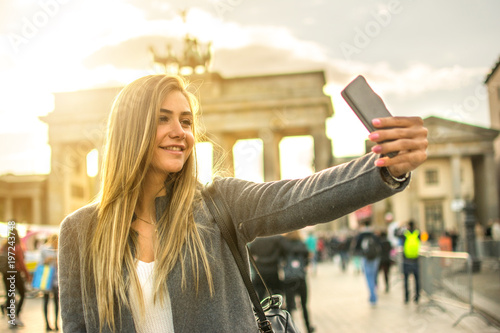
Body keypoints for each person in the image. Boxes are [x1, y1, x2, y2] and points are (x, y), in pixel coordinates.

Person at [58, 74, 428, 332]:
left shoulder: (219, 203)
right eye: (162, 119)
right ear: (129, 129)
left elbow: (301, 197)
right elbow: (75, 327)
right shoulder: (79, 231)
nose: (180, 132)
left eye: (186, 121)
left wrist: (383, 169)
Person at [281, 231, 315, 333]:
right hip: (301, 278)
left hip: (289, 278)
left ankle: (289, 329)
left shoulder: (284, 245)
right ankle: (308, 327)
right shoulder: (302, 244)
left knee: (290, 306)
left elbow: (280, 259)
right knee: (304, 305)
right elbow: (307, 259)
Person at [1, 226, 30, 328]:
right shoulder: (17, 247)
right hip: (15, 273)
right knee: (22, 293)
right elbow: (21, 263)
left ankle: (11, 319)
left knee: (10, 295)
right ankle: (16, 315)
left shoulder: (4, 246)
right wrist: (27, 275)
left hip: (6, 274)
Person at [248, 235, 285, 300]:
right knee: (276, 295)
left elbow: (250, 256)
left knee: (260, 296)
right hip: (273, 271)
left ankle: (261, 309)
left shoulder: (255, 241)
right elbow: (277, 256)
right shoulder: (276, 239)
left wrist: (258, 260)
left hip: (260, 271)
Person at [353, 220, 382, 305]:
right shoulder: (374, 235)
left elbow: (356, 248)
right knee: (373, 275)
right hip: (375, 258)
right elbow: (380, 246)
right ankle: (374, 293)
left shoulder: (360, 235)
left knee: (368, 276)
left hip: (365, 258)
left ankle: (372, 296)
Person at [39, 234, 59, 331]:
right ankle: (47, 323)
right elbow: (40, 263)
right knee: (46, 301)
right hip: (46, 278)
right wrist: (47, 260)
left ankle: (56, 323)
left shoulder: (60, 249)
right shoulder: (44, 249)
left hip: (56, 279)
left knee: (56, 301)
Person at [398, 220, 421, 304]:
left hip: (406, 260)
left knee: (406, 280)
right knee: (417, 279)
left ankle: (406, 297)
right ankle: (417, 296)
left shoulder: (405, 233)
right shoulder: (417, 233)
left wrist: (402, 226)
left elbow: (396, 234)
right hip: (415, 259)